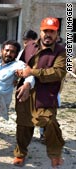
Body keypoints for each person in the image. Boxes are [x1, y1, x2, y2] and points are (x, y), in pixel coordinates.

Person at [13, 17, 66, 168]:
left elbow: (58, 73)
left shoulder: (61, 51)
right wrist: (16, 74)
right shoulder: (30, 46)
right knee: (23, 125)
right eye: (45, 31)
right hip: (25, 93)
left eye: (52, 31)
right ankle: (20, 153)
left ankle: (55, 154)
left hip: (46, 95)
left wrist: (32, 72)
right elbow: (20, 64)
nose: (48, 34)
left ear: (57, 33)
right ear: (40, 31)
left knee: (50, 123)